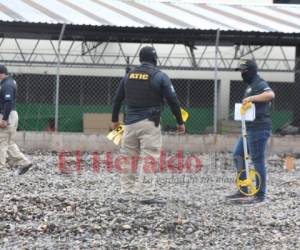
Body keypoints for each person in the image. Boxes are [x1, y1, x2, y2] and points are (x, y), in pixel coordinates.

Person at [111, 46, 185, 204]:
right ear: (155, 59)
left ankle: (126, 193)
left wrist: (114, 120)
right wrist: (180, 122)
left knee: (128, 158)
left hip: (129, 124)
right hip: (150, 124)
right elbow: (173, 100)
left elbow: (117, 99)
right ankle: (146, 195)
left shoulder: (128, 76)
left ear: (140, 59)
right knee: (148, 159)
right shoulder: (160, 76)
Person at [226, 59, 275, 203]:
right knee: (238, 155)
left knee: (257, 160)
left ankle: (260, 195)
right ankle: (244, 190)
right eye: (240, 71)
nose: (241, 74)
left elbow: (270, 94)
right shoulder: (251, 85)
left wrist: (252, 98)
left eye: (243, 71)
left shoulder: (259, 83)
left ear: (251, 71)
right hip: (249, 129)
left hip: (259, 128)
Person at [0, 65, 32, 175]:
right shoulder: (11, 81)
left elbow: (8, 102)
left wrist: (4, 119)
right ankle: (24, 162)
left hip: (7, 115)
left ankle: (1, 167)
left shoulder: (6, 85)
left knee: (1, 142)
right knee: (8, 142)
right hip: (12, 114)